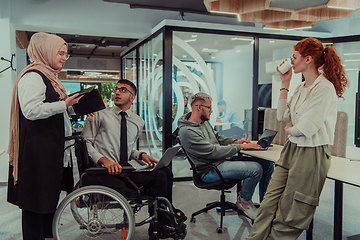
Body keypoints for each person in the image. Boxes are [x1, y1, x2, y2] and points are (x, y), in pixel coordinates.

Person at [246, 38, 348, 240]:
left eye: (295, 57)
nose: (291, 61)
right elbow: (282, 116)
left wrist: (292, 130)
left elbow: (305, 128)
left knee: (292, 209)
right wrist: (285, 83)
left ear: (308, 59)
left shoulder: (325, 89)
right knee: (269, 202)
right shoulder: (300, 88)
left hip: (312, 153)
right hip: (291, 150)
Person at [81, 79, 186, 236]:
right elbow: (86, 144)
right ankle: (163, 222)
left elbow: (126, 149)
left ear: (132, 97)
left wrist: (141, 155)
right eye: (116, 89)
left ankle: (163, 218)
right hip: (103, 172)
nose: (117, 92)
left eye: (123, 90)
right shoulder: (98, 115)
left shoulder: (137, 121)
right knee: (159, 177)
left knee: (165, 172)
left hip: (124, 169)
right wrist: (104, 160)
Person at [7, 32, 82, 240]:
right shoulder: (33, 76)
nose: (63, 58)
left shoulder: (50, 77)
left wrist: (75, 107)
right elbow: (31, 110)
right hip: (37, 153)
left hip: (49, 151)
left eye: (66, 54)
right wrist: (64, 104)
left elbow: (55, 110)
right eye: (60, 53)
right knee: (35, 203)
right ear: (45, 51)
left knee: (47, 200)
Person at [177, 92, 274, 220]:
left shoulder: (203, 122)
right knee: (255, 169)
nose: (212, 111)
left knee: (266, 164)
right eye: (209, 107)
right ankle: (244, 202)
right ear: (199, 107)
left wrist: (235, 142)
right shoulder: (187, 131)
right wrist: (240, 147)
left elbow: (217, 137)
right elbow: (213, 152)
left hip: (221, 161)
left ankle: (265, 207)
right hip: (210, 169)